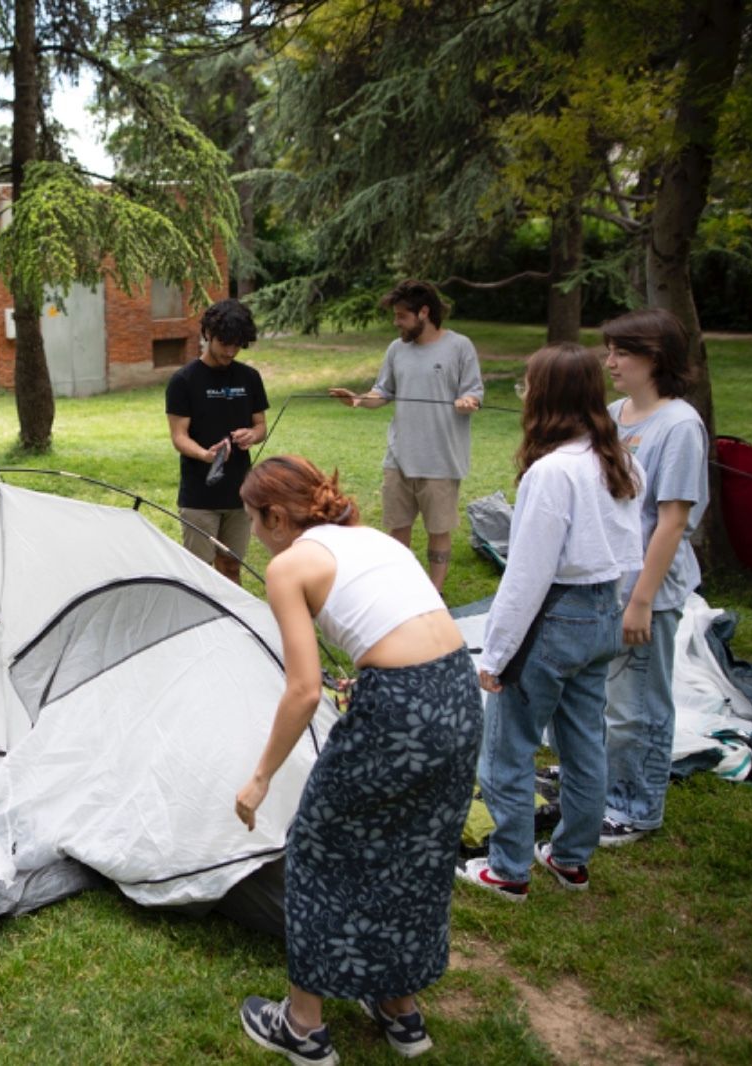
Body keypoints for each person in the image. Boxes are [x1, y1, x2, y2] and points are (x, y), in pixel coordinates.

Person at [233, 456, 480, 1062]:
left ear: (276, 516)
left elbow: (303, 689)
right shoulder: (368, 538)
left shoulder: (289, 566)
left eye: (254, 522)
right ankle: (401, 1010)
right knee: (414, 849)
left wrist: (260, 777)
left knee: (317, 849)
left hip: (399, 709)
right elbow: (397, 626)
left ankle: (303, 1027)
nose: (255, 536)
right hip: (459, 693)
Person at [457, 343, 644, 903]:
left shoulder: (553, 472)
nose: (521, 396)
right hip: (602, 613)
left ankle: (509, 869)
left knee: (507, 747)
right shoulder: (618, 458)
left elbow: (527, 576)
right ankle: (570, 860)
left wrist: (495, 655)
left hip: (554, 618)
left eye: (527, 386)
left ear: (546, 396)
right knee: (585, 742)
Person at [599, 309, 708, 846]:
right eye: (609, 350)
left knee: (638, 704)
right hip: (607, 583)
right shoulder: (615, 413)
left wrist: (640, 600)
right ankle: (604, 785)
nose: (610, 361)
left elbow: (673, 521)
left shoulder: (680, 425)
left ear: (656, 358)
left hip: (647, 592)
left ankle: (636, 808)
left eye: (622, 352)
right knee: (607, 698)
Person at [330, 279, 483, 593]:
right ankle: (402, 590)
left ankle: (434, 592)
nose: (396, 322)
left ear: (424, 313)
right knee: (397, 528)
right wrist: (359, 400)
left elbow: (473, 393)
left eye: (402, 316)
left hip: (441, 459)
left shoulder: (460, 346)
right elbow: (383, 392)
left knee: (438, 531)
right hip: (398, 458)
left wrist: (468, 402)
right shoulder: (396, 350)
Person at [165, 298, 270, 584]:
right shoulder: (183, 381)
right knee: (198, 574)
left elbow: (261, 426)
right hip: (200, 496)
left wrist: (253, 435)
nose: (231, 351)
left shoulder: (249, 377)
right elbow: (179, 437)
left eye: (238, 345)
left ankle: (231, 625)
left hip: (239, 493)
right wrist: (204, 455)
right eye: (225, 343)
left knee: (232, 568)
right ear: (208, 334)